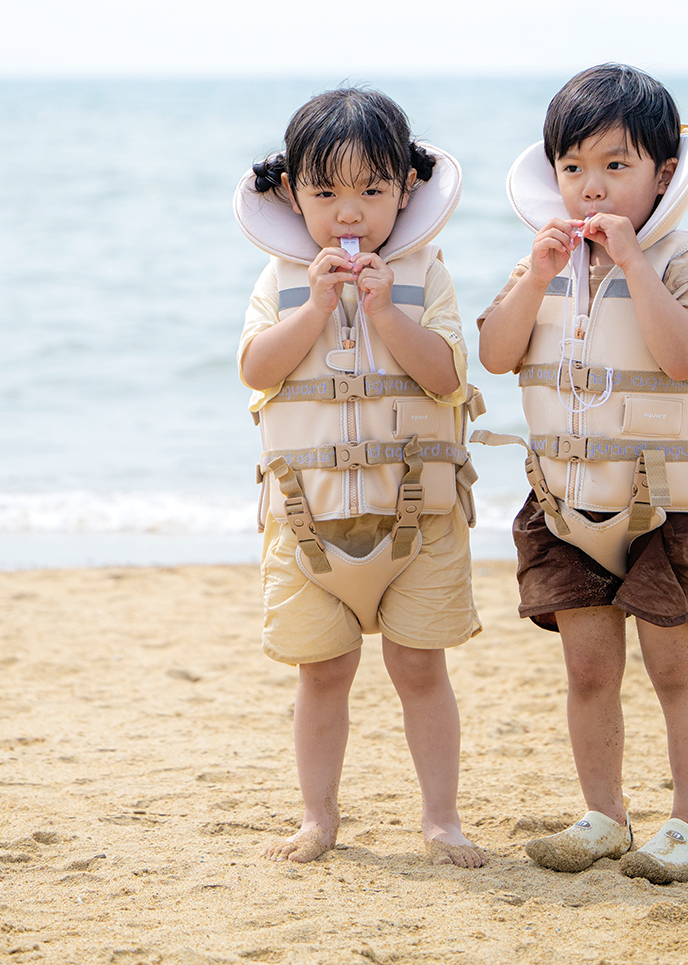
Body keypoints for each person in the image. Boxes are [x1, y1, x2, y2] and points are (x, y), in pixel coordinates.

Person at [477, 64, 688, 883]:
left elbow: (683, 357)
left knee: (674, 668)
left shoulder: (683, 257)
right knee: (588, 669)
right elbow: (495, 355)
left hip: (669, 506)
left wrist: (634, 265)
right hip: (567, 502)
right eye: (573, 167)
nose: (590, 187)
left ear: (663, 174)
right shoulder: (543, 258)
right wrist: (536, 276)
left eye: (615, 166)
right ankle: (604, 815)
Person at [236, 87, 485, 868]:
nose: (350, 213)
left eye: (372, 191)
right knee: (323, 672)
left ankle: (441, 820)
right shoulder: (280, 281)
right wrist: (314, 310)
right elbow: (256, 370)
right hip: (309, 521)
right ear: (291, 193)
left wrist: (384, 312)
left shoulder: (426, 273)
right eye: (326, 194)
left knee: (420, 667)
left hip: (417, 520)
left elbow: (446, 377)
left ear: (406, 189)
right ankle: (317, 818)